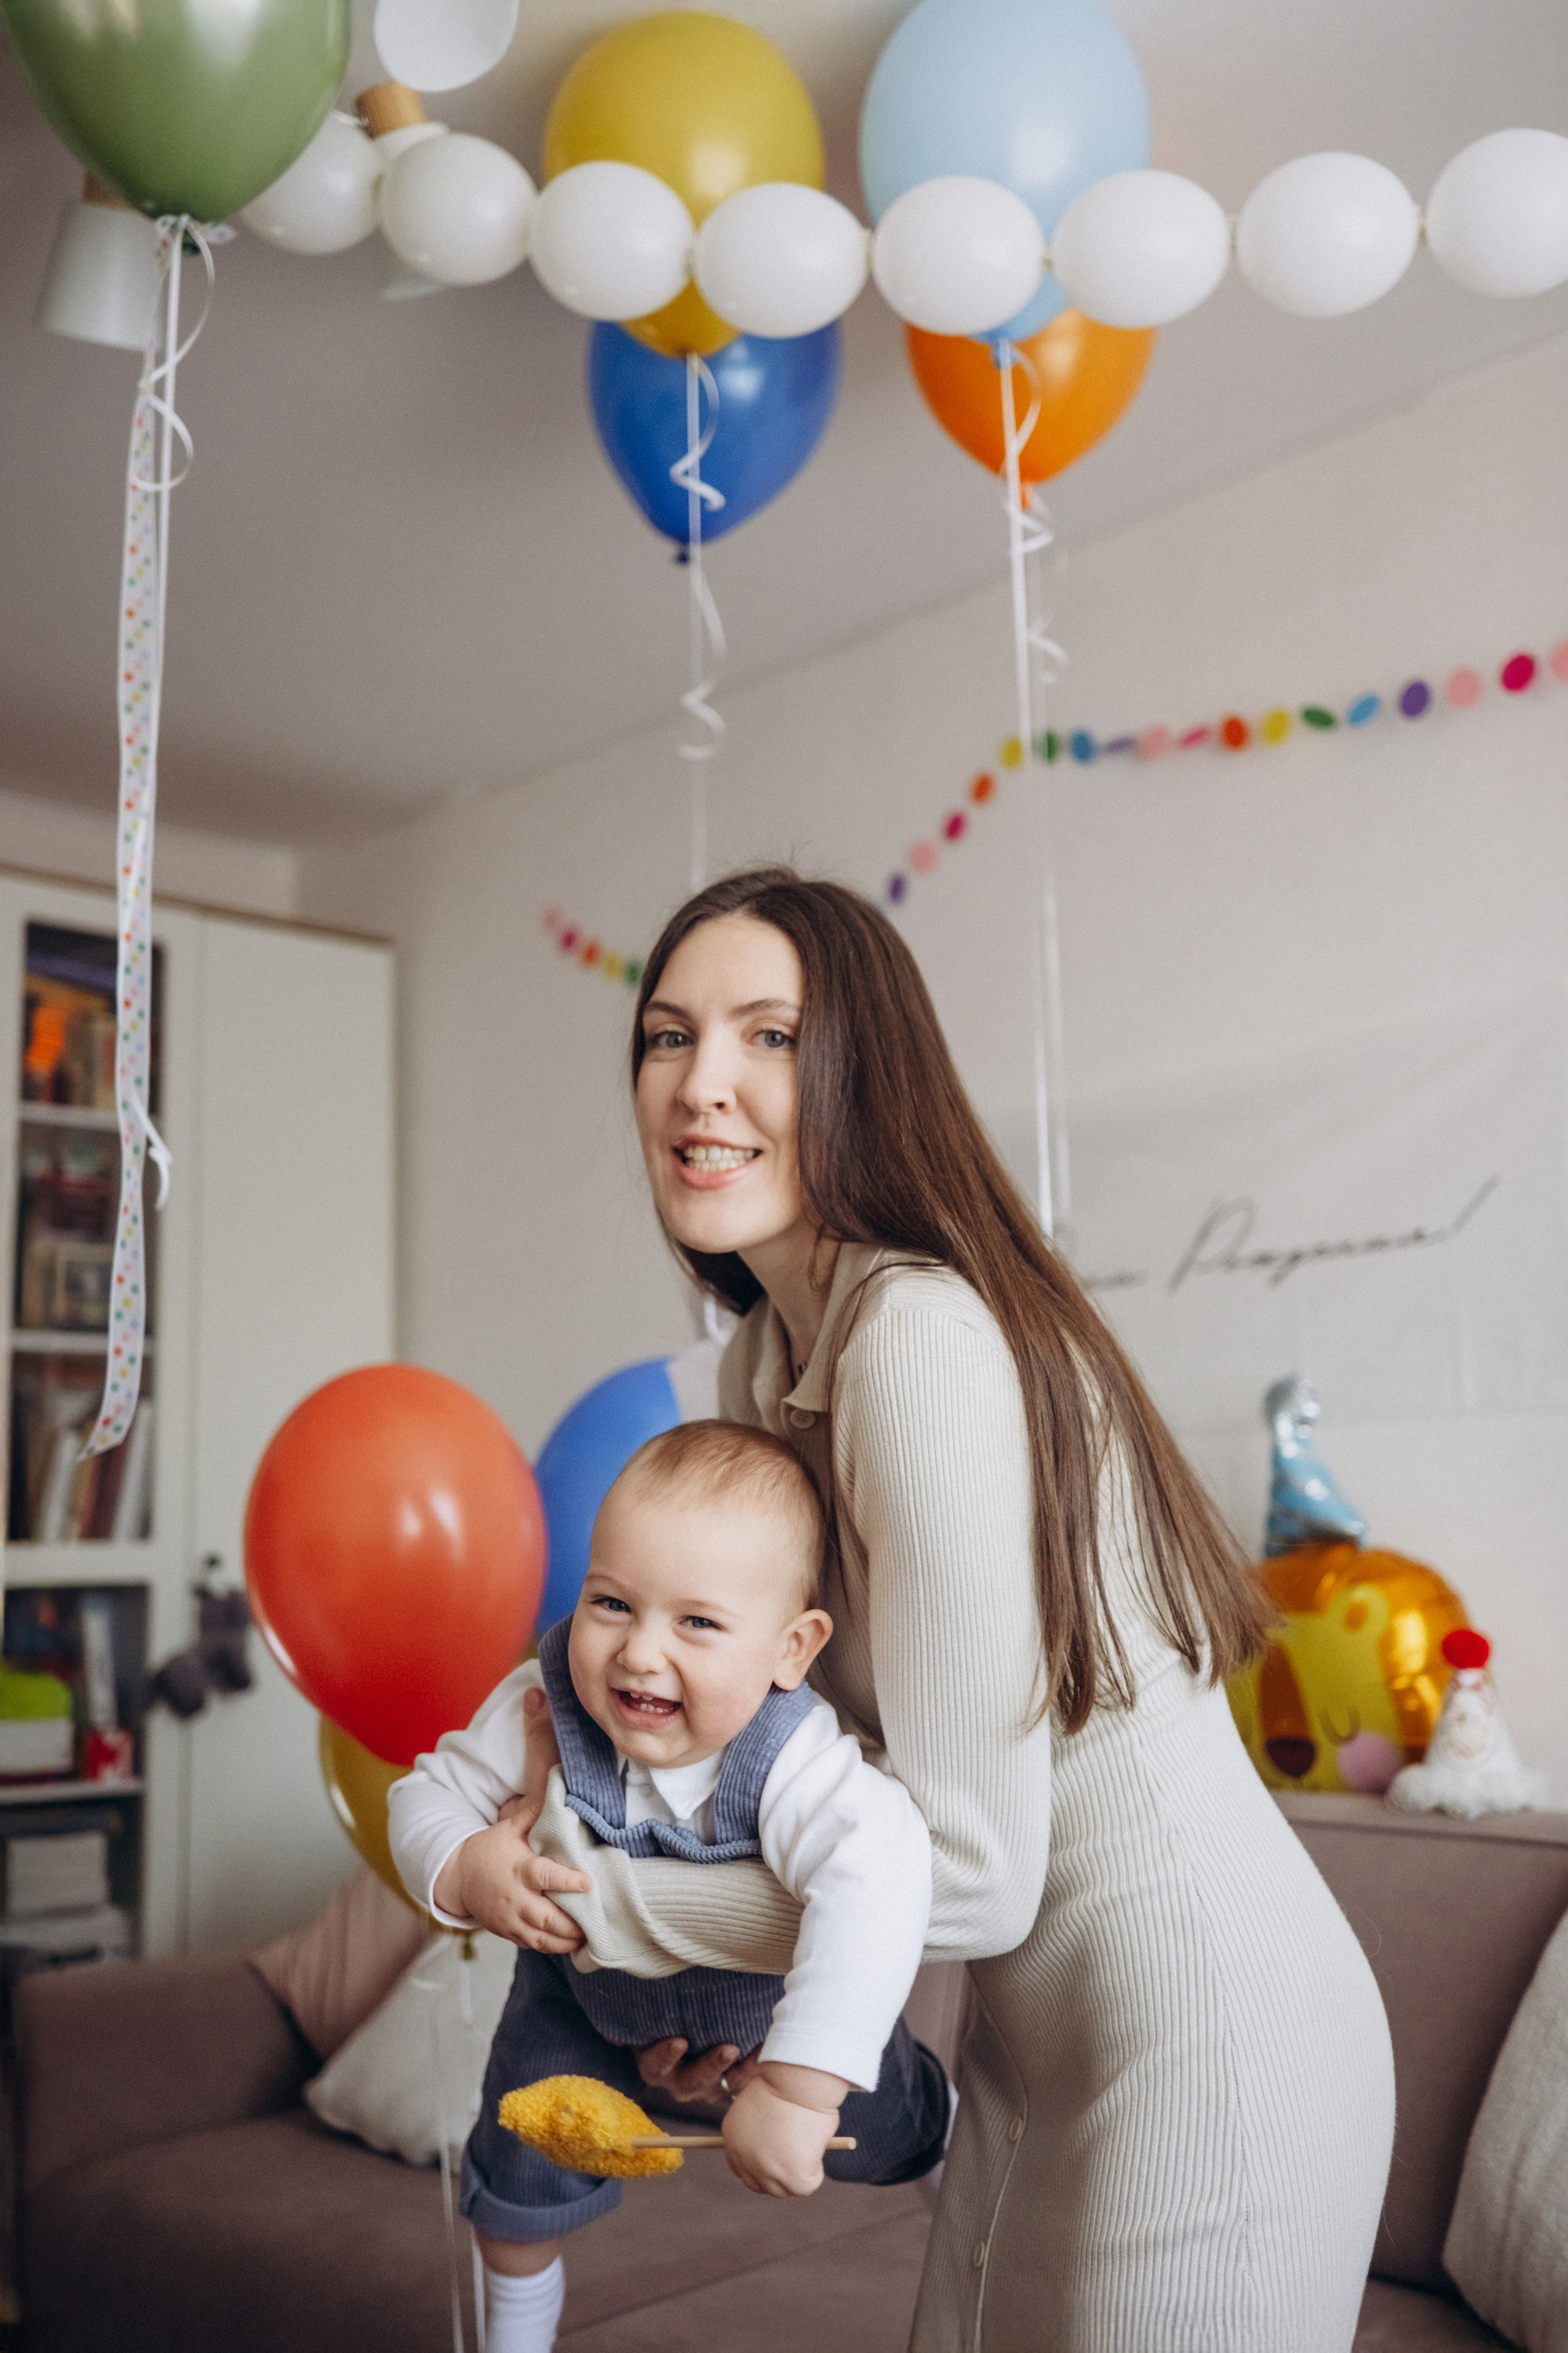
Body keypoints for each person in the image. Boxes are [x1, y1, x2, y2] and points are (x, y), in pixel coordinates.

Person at [499, 866, 1396, 2353]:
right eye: (666, 1037)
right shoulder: (757, 1368)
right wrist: (719, 1990)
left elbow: (972, 1871)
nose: (699, 1086)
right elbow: (812, 1781)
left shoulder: (914, 1337)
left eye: (766, 1037)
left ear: (862, 1071)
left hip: (1212, 2048)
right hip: (1026, 2063)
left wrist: (617, 1915)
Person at [390, 1418, 948, 2353]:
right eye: (612, 1603)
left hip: (769, 2016)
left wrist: (805, 2091)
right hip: (583, 2000)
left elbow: (880, 1874)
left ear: (792, 1649)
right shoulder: (545, 1701)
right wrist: (469, 1867)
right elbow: (426, 1794)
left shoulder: (792, 1756)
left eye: (696, 1622)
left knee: (890, 2129)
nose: (640, 1653)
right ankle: (514, 2338)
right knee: (517, 2162)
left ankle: (945, 2152)